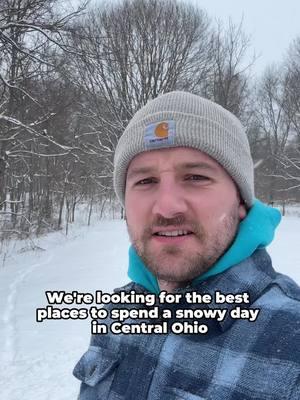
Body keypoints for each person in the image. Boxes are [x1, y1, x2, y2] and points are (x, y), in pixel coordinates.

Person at [73, 91, 300, 399]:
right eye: (145, 181)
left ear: (241, 201)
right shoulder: (116, 313)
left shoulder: (290, 340)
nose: (167, 208)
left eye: (195, 177)